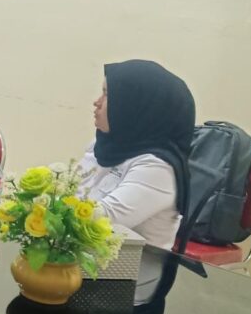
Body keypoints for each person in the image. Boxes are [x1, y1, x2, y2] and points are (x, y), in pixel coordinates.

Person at [79, 59, 195, 250]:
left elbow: (98, 218)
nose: (97, 102)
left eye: (107, 95)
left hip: (135, 266)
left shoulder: (158, 168)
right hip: (87, 255)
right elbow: (72, 191)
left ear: (133, 105)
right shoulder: (105, 146)